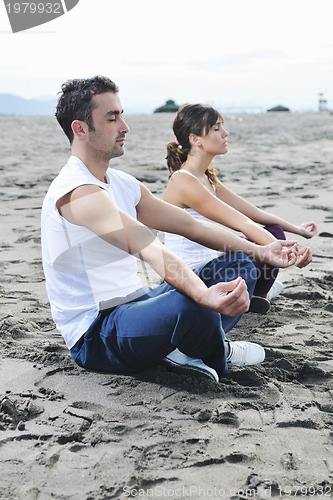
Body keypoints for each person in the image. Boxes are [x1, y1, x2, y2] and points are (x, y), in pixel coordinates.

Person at [41, 76, 298, 384]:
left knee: (239, 265)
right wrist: (202, 295)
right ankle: (216, 352)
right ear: (80, 129)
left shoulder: (121, 183)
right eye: (112, 118)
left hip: (136, 303)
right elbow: (150, 247)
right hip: (98, 333)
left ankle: (183, 345)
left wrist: (261, 250)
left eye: (121, 115)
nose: (124, 127)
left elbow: (189, 225)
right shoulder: (78, 192)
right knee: (192, 303)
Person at [164, 104, 317, 313]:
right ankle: (250, 297)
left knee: (272, 230)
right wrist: (292, 253)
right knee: (249, 251)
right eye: (217, 129)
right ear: (195, 139)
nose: (225, 133)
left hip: (216, 265)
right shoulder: (184, 181)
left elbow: (253, 213)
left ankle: (256, 296)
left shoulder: (206, 177)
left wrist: (298, 230)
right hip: (197, 276)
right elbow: (242, 223)